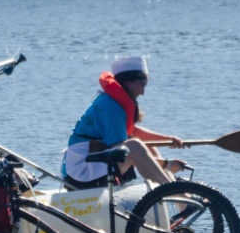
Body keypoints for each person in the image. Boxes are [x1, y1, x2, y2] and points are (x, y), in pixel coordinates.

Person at [61, 56, 187, 190]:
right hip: (81, 172)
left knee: (146, 146)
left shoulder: (115, 103)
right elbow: (122, 151)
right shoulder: (110, 106)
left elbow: (133, 132)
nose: (142, 92)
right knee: (136, 146)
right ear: (127, 82)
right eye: (141, 85)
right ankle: (176, 194)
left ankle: (172, 190)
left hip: (95, 163)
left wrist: (168, 139)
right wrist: (166, 164)